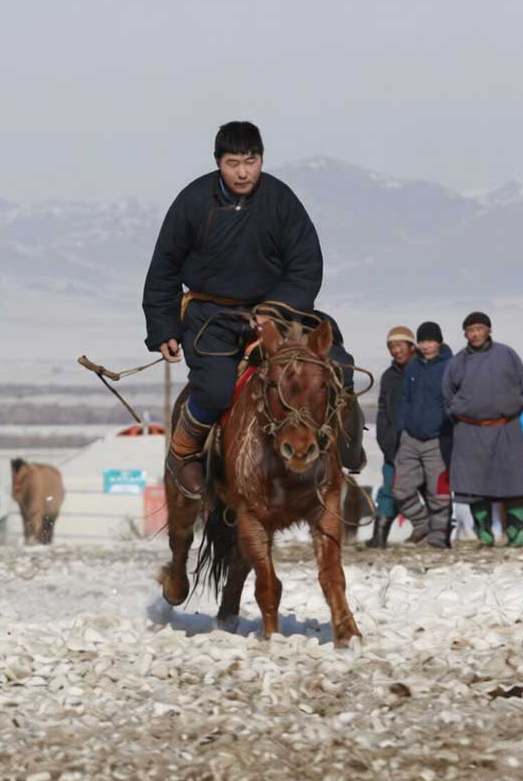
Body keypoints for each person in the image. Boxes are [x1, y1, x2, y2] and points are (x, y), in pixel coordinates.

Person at [142, 121, 361, 499]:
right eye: (232, 163)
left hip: (281, 312)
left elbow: (307, 264)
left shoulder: (281, 200)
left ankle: (345, 446)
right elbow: (164, 268)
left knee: (337, 365)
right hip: (213, 315)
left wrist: (274, 309)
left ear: (261, 159)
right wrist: (164, 328)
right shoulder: (193, 202)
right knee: (215, 389)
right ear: (218, 163)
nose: (243, 172)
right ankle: (184, 454)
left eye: (251, 161)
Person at [443, 312, 523, 547]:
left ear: (488, 330)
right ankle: (484, 533)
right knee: (476, 486)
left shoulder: (507, 355)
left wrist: (510, 409)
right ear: (465, 334)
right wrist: (461, 413)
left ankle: (516, 534)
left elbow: (522, 387)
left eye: (479, 329)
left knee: (513, 483)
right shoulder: (457, 362)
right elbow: (447, 396)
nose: (475, 334)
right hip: (470, 429)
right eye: (470, 330)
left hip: (506, 426)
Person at [392, 322, 455, 549]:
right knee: (401, 490)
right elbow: (405, 400)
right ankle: (422, 524)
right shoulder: (412, 367)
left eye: (430, 341)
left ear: (439, 341)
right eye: (422, 341)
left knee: (439, 493)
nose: (426, 346)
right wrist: (402, 427)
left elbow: (454, 399)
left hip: (437, 438)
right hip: (410, 437)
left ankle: (438, 539)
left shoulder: (451, 365)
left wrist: (447, 425)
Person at [367, 325, 416, 548]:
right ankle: (379, 537)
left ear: (411, 345)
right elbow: (383, 410)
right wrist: (385, 439)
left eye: (400, 345)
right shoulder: (388, 377)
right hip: (393, 445)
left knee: (428, 490)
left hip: (420, 442)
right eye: (391, 347)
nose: (396, 350)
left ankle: (432, 533)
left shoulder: (421, 370)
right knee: (388, 489)